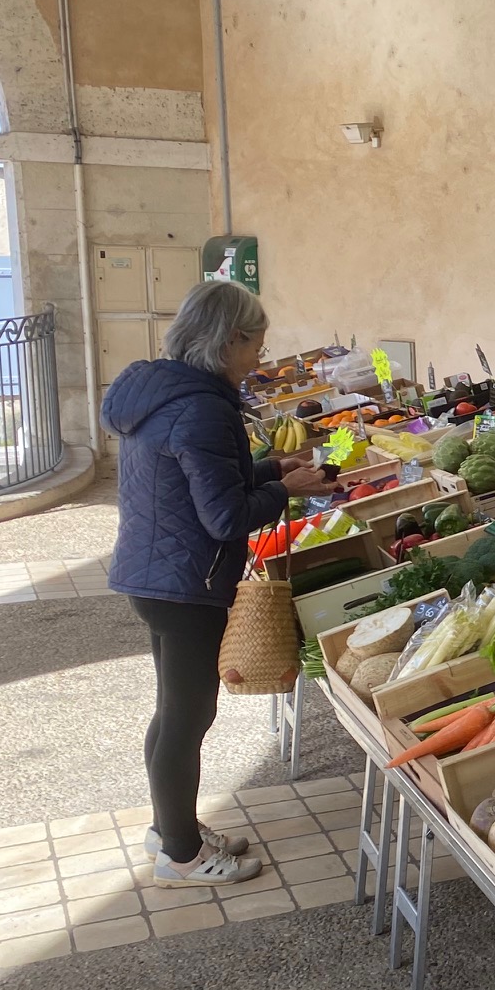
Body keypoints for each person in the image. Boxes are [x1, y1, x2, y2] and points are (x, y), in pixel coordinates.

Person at [104, 280, 328, 887]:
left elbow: (202, 481)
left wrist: (265, 468)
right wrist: (288, 490)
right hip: (185, 583)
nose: (260, 354)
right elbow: (226, 517)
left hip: (157, 572)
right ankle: (180, 856)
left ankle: (169, 828)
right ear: (229, 340)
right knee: (188, 715)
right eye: (256, 342)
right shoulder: (202, 407)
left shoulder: (167, 392)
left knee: (175, 710)